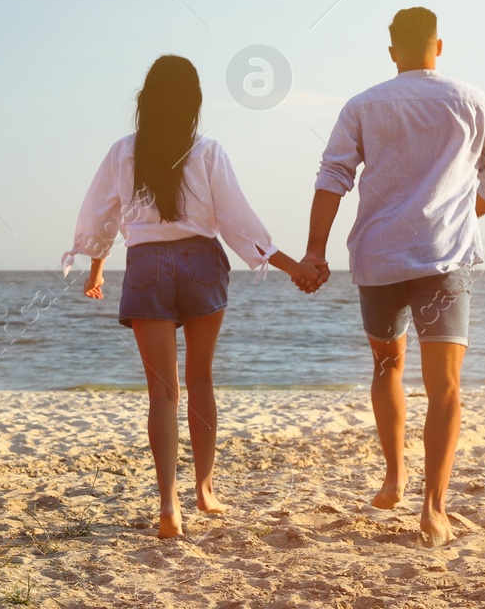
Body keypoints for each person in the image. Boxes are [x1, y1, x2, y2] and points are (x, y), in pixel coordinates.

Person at [66, 55, 321, 539]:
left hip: (146, 267)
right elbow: (238, 222)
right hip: (201, 263)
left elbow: (100, 216)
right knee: (200, 380)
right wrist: (293, 267)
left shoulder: (124, 152)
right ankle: (204, 490)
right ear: (194, 102)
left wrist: (96, 267)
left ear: (146, 102)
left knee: (163, 392)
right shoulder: (207, 151)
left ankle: (168, 506)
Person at [300, 8, 485, 547]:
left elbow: (333, 178)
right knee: (445, 387)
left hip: (378, 259)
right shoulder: (472, 101)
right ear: (438, 46)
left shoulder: (363, 104)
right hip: (444, 260)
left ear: (392, 50)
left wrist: (314, 251)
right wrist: (465, 216)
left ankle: (394, 478)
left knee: (386, 366)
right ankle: (434, 509)